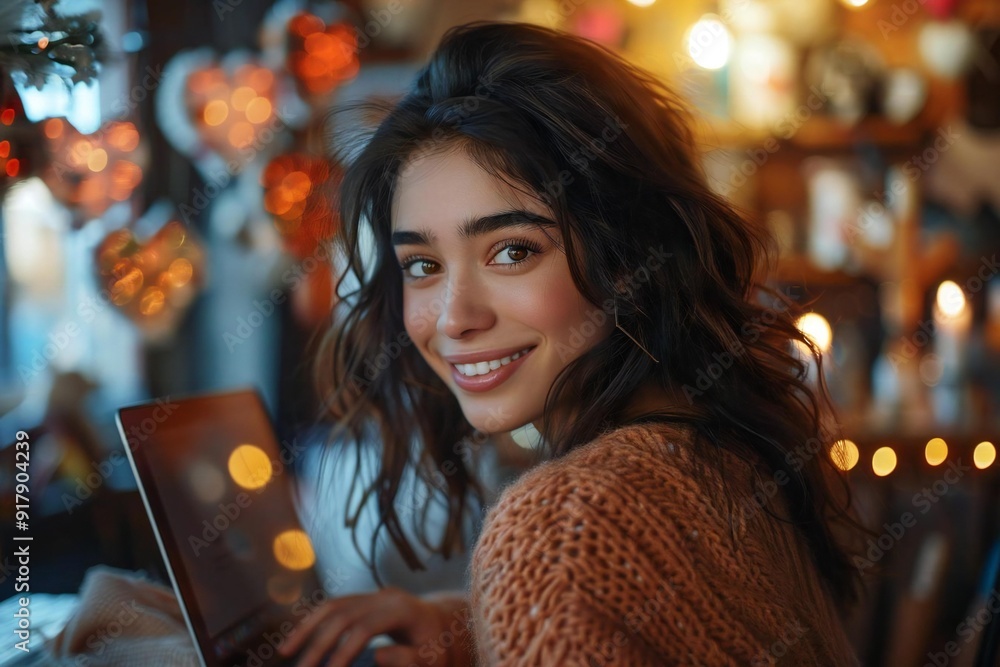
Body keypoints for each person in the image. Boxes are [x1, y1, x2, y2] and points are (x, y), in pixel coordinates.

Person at [281, 20, 862, 667]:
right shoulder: (725, 446)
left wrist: (529, 593)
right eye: (422, 264)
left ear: (627, 257)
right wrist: (479, 626)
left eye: (512, 251)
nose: (454, 318)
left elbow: (577, 571)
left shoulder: (562, 528)